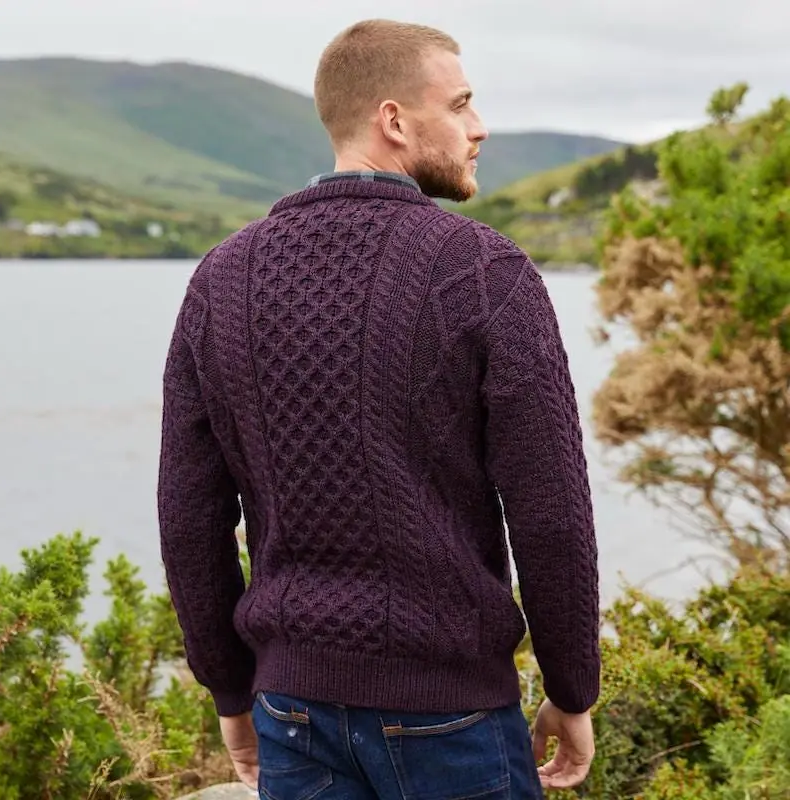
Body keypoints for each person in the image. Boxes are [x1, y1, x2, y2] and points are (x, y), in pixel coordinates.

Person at [157, 17, 600, 800]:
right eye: (459, 105)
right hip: (450, 715)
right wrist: (572, 688)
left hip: (291, 712)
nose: (479, 127)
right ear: (393, 120)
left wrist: (230, 691)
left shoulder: (220, 279)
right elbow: (551, 509)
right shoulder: (484, 271)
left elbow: (189, 516)